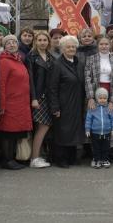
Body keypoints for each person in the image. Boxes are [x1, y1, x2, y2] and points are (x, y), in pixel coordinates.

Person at [0, 35, 34, 170]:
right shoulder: (4, 62)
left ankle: (12, 158)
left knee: (15, 133)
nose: (12, 45)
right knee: (8, 133)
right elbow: (1, 84)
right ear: (4, 46)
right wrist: (2, 106)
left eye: (14, 42)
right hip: (10, 103)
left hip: (20, 103)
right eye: (8, 43)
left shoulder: (18, 60)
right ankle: (7, 160)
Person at [48, 35, 87, 168]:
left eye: (73, 46)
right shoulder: (57, 64)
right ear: (63, 49)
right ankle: (60, 158)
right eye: (68, 47)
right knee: (62, 131)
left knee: (74, 131)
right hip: (63, 103)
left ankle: (71, 157)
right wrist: (55, 107)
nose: (71, 49)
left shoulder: (79, 63)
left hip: (77, 102)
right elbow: (52, 87)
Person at [85, 35, 113, 151]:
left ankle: (106, 152)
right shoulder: (91, 59)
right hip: (95, 91)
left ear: (110, 45)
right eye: (101, 44)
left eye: (106, 44)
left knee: (109, 121)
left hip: (111, 92)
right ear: (98, 46)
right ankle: (94, 152)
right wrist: (91, 97)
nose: (104, 46)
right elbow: (87, 78)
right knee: (95, 121)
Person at [27, 31, 54, 169]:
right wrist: (34, 98)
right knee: (43, 127)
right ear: (35, 42)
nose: (42, 42)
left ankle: (37, 155)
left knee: (43, 127)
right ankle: (34, 158)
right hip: (38, 98)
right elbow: (30, 79)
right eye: (40, 40)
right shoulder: (31, 57)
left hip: (49, 97)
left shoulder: (50, 57)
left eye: (45, 40)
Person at [85, 87, 113, 169]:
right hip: (95, 132)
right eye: (100, 98)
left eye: (105, 98)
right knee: (96, 147)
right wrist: (87, 129)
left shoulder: (109, 108)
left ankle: (105, 159)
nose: (102, 100)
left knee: (105, 147)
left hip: (106, 132)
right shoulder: (93, 108)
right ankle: (96, 160)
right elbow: (88, 119)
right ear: (97, 98)